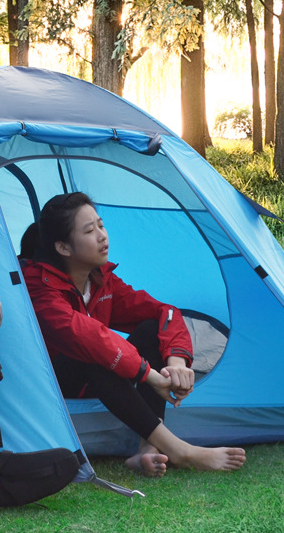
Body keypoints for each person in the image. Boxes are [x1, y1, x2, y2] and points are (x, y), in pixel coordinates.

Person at [21, 192, 247, 476]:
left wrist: (176, 362)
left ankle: (147, 449)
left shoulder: (100, 279)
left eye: (101, 225)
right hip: (52, 383)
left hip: (101, 378)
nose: (102, 236)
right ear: (63, 248)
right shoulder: (38, 288)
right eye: (90, 231)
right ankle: (178, 449)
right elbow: (87, 336)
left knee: (151, 330)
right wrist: (151, 376)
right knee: (94, 355)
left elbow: (163, 312)